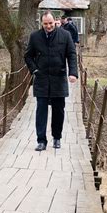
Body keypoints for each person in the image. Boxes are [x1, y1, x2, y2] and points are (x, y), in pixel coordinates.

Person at [24, 11, 78, 151]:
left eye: (50, 23)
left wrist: (73, 73)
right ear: (41, 23)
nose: (48, 26)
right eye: (45, 24)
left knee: (58, 110)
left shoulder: (65, 36)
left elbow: (71, 55)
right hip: (42, 79)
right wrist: (34, 70)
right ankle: (41, 140)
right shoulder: (35, 36)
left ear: (55, 21)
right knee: (41, 110)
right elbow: (28, 56)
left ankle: (57, 138)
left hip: (59, 79)